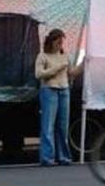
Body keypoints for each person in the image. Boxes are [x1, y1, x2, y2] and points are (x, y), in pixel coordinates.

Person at [35, 28, 83, 167]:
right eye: (58, 42)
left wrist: (83, 64)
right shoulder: (43, 56)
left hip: (64, 90)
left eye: (62, 42)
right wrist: (57, 68)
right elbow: (38, 74)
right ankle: (47, 157)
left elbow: (71, 73)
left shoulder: (65, 56)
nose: (60, 45)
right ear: (52, 42)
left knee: (63, 126)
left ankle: (63, 156)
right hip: (49, 90)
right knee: (48, 125)